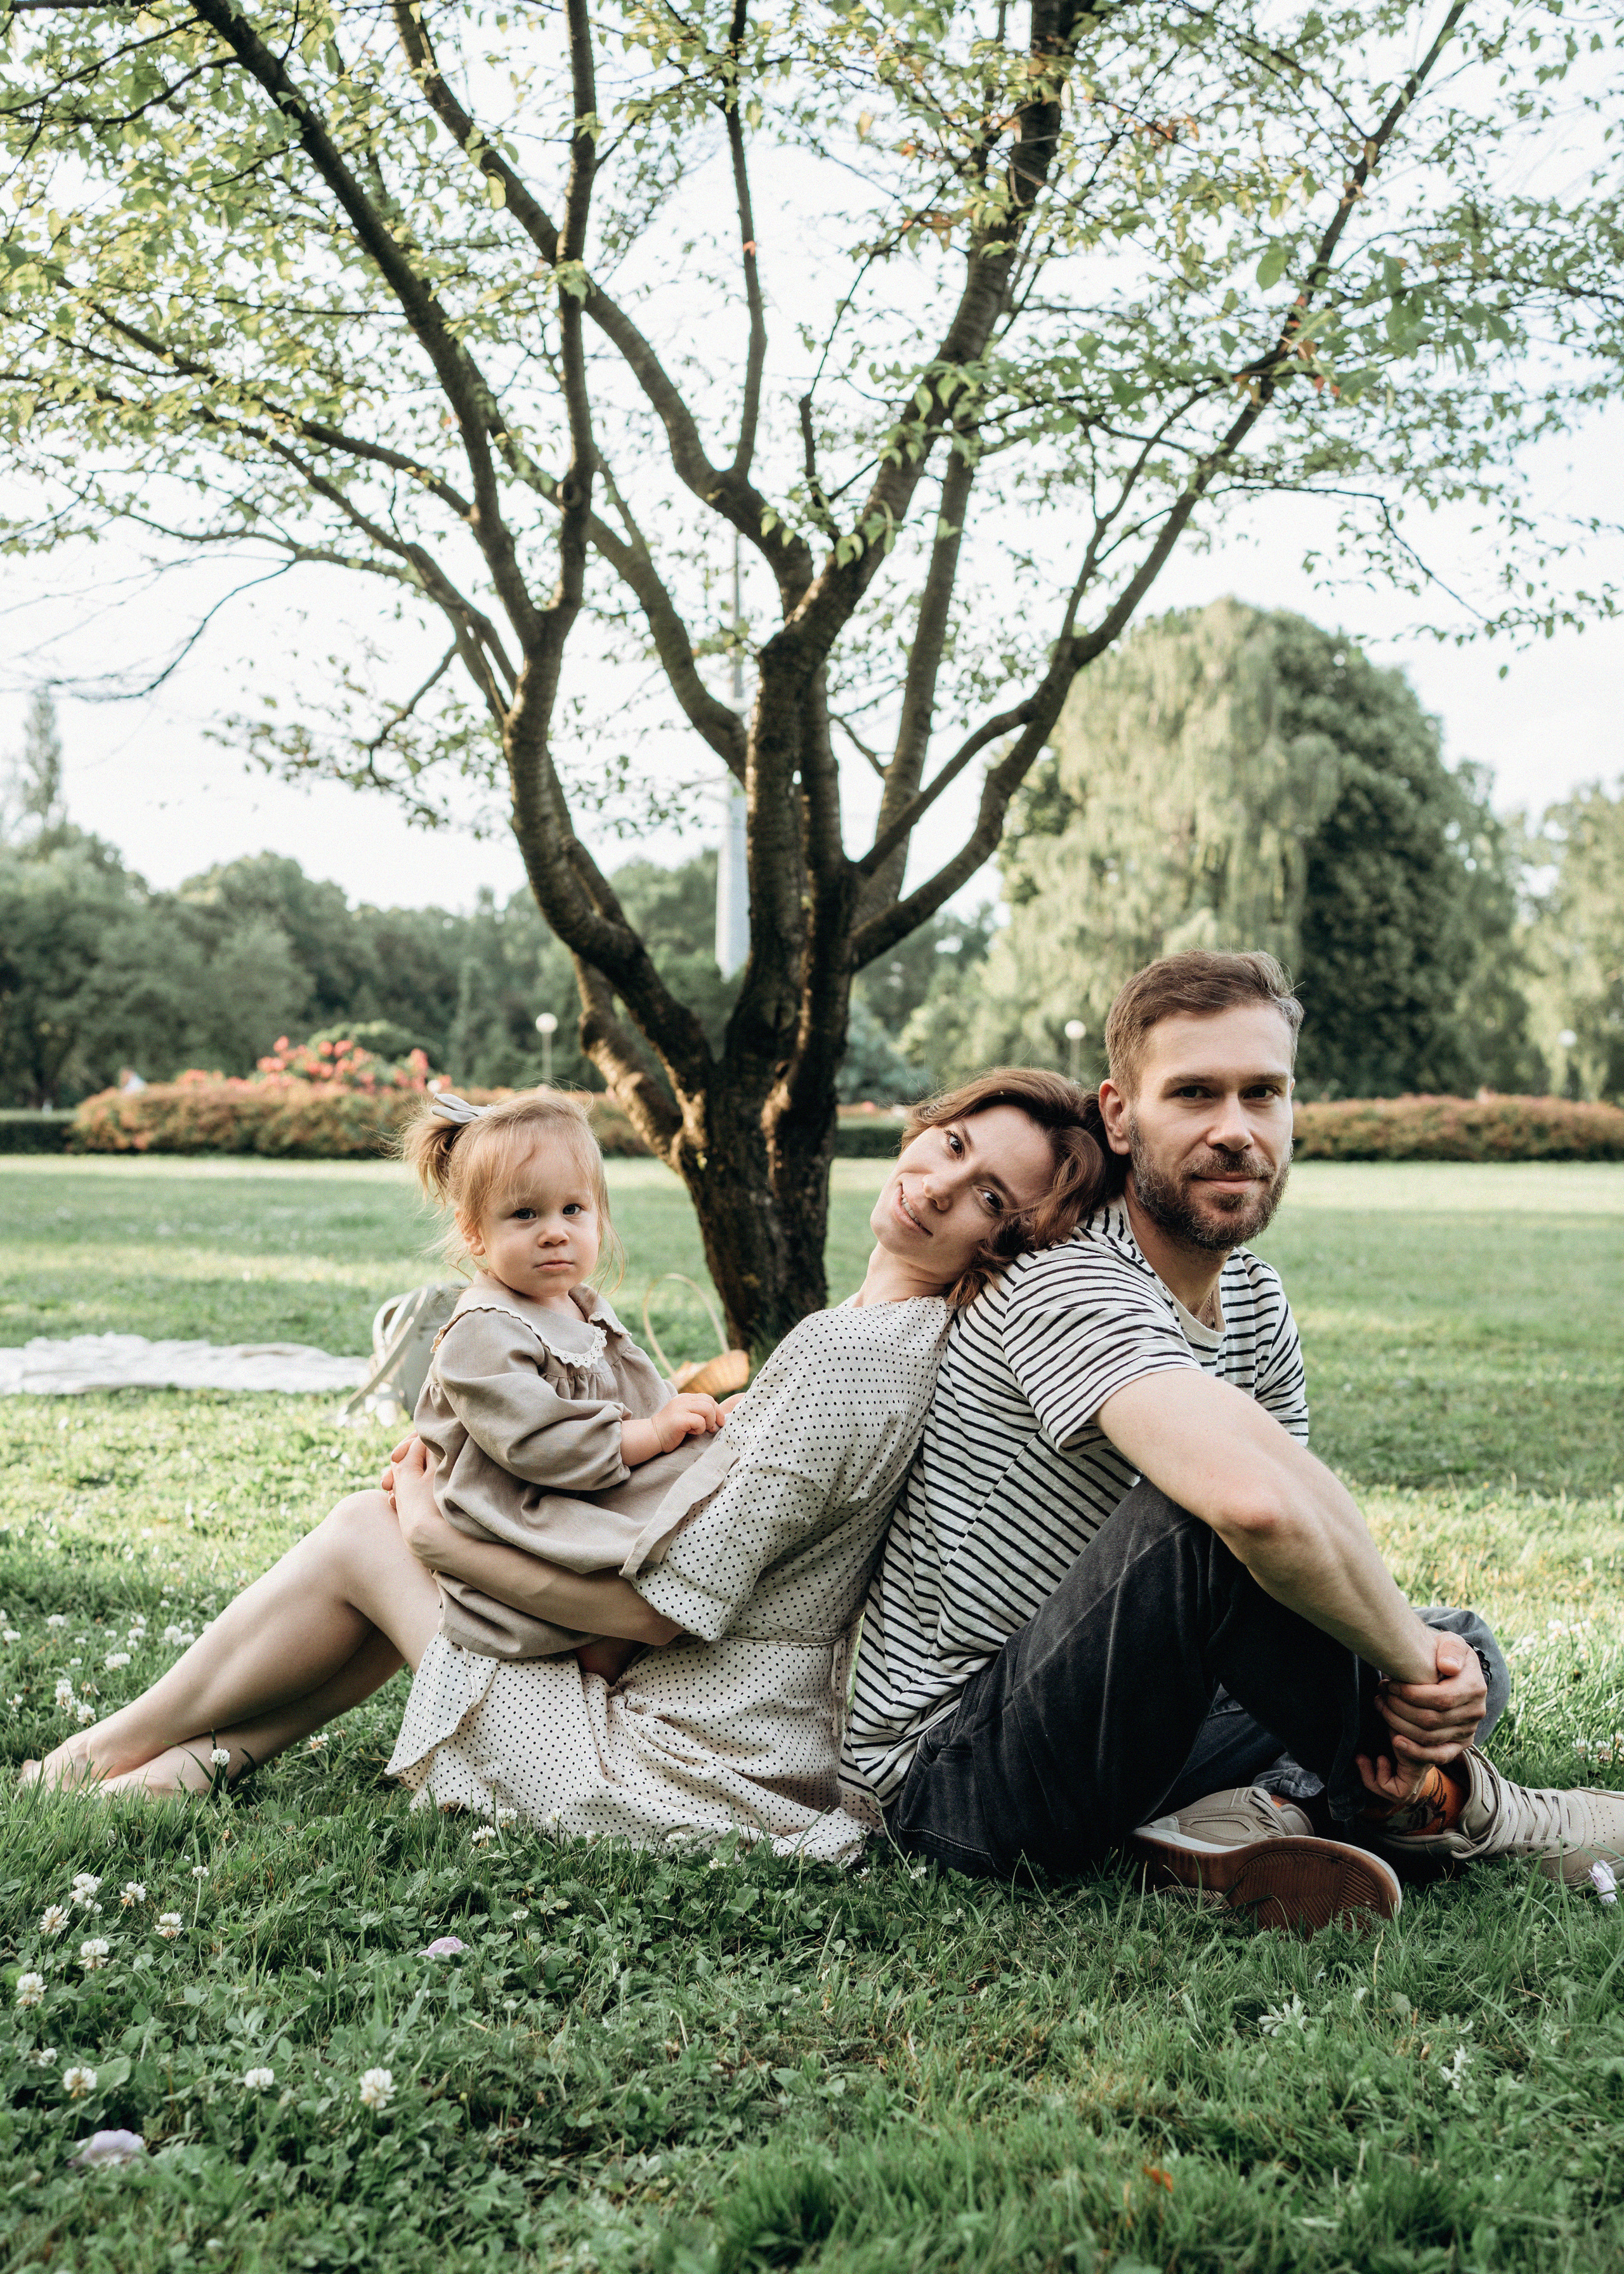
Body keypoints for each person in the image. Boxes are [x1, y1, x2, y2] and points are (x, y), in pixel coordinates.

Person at [25, 1072, 1102, 1862]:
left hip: (672, 1764)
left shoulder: (854, 1356)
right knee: (393, 1540)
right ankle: (182, 1764)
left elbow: (656, 1614)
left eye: (992, 1196)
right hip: (733, 1738)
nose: (942, 1184)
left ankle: (81, 1760)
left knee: (373, 1529)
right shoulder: (887, 1334)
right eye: (952, 1143)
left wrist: (441, 1534)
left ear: (1004, 1239)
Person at [842, 950, 1624, 1929]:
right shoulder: (1067, 1282)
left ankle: (1231, 1818)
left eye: (1264, 1093)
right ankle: (1464, 1812)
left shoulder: (1253, 1296)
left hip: (1113, 1700)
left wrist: (1416, 1652)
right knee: (1209, 1520)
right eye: (1195, 1095)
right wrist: (1407, 1668)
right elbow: (1252, 1510)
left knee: (1459, 1639)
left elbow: (1300, 1494)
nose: (1236, 1130)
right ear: (1120, 1116)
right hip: (951, 1781)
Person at [398, 1086, 726, 1678]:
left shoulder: (580, 1304)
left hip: (584, 1486)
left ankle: (617, 1634)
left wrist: (678, 1417)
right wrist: (653, 1432)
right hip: (520, 1515)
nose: (554, 1232)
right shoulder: (484, 1329)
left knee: (702, 1475)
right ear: (474, 1233)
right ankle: (582, 1639)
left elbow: (637, 1393)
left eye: (573, 1210)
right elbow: (543, 1445)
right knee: (648, 1531)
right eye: (525, 1214)